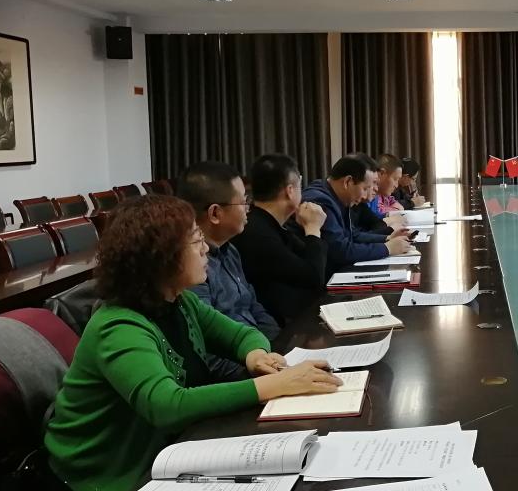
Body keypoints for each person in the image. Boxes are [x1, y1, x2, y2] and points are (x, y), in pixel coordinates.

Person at [42, 194, 341, 491]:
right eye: (196, 241)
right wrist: (274, 385)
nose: (205, 250)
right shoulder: (118, 326)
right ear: (161, 257)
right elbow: (167, 406)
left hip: (164, 453)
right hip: (99, 480)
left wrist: (255, 355)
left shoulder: (180, 302)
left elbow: (241, 335)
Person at [177, 161, 281, 381]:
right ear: (215, 213)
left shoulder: (230, 250)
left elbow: (254, 307)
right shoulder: (192, 270)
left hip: (260, 358)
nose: (248, 208)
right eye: (243, 202)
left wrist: (279, 349)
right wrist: (263, 376)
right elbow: (205, 351)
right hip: (238, 378)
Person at [232, 154, 328, 325]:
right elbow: (313, 277)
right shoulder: (258, 233)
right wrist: (313, 228)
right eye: (300, 184)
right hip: (278, 324)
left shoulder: (270, 222)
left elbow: (313, 260)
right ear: (290, 191)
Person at [301, 155, 414, 277]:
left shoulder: (335, 194)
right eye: (365, 188)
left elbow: (352, 235)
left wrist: (387, 238)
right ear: (347, 182)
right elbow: (340, 251)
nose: (365, 196)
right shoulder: (320, 201)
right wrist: (387, 248)